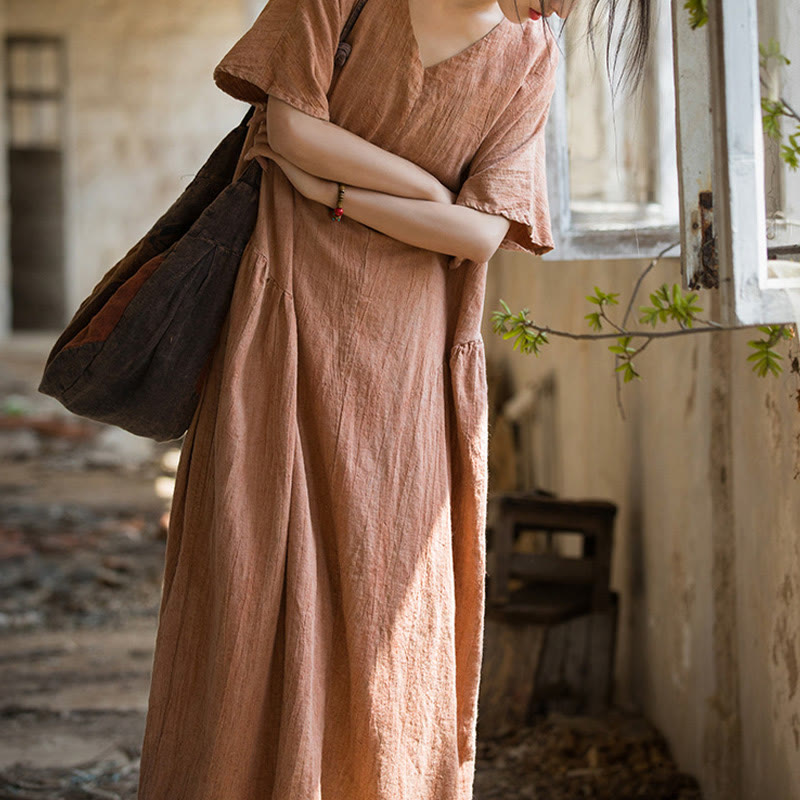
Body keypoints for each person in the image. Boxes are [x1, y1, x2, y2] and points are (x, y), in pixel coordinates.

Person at [136, 1, 652, 799]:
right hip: (284, 324)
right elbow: (290, 128)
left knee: (389, 606)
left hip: (406, 363)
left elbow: (482, 235)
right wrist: (427, 195)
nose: (562, 6)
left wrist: (338, 194)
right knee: (246, 583)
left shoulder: (531, 55)